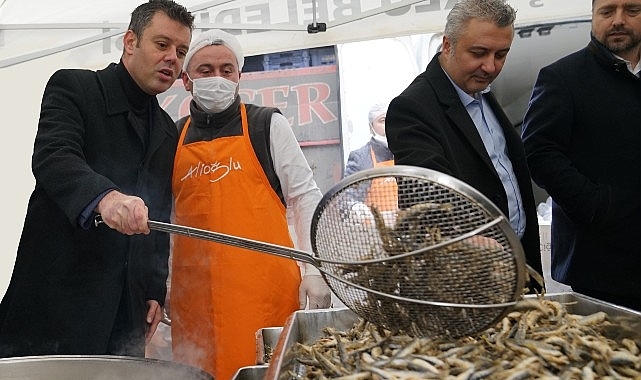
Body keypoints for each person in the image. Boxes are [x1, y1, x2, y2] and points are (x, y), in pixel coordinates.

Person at [0, 0, 194, 358]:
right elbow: (54, 157)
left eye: (181, 51)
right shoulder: (75, 88)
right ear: (131, 41)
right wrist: (106, 198)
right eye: (162, 44)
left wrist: (153, 289)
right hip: (56, 302)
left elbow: (159, 216)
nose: (172, 58)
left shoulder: (167, 130)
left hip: (126, 313)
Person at [170, 29, 332, 379]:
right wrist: (161, 287)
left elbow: (304, 196)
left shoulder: (266, 124)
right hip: (195, 304)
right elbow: (163, 219)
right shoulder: (173, 137)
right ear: (186, 80)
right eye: (205, 70)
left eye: (227, 70)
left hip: (261, 295)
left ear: (239, 76)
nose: (217, 78)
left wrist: (313, 270)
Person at [385, 0, 544, 286]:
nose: (490, 66)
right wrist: (472, 242)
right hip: (465, 281)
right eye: (479, 53)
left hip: (518, 267)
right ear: (448, 45)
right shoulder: (413, 107)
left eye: (501, 55)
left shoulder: (483, 94)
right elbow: (424, 195)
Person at [521, 0, 640, 310]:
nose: (618, 20)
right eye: (607, 11)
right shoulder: (563, 78)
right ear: (593, 17)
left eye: (632, 10)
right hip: (600, 264)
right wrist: (597, 206)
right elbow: (539, 153)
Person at [344, 102, 394, 177]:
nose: (388, 124)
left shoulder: (406, 150)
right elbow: (350, 188)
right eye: (382, 120)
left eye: (391, 119)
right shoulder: (359, 158)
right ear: (371, 127)